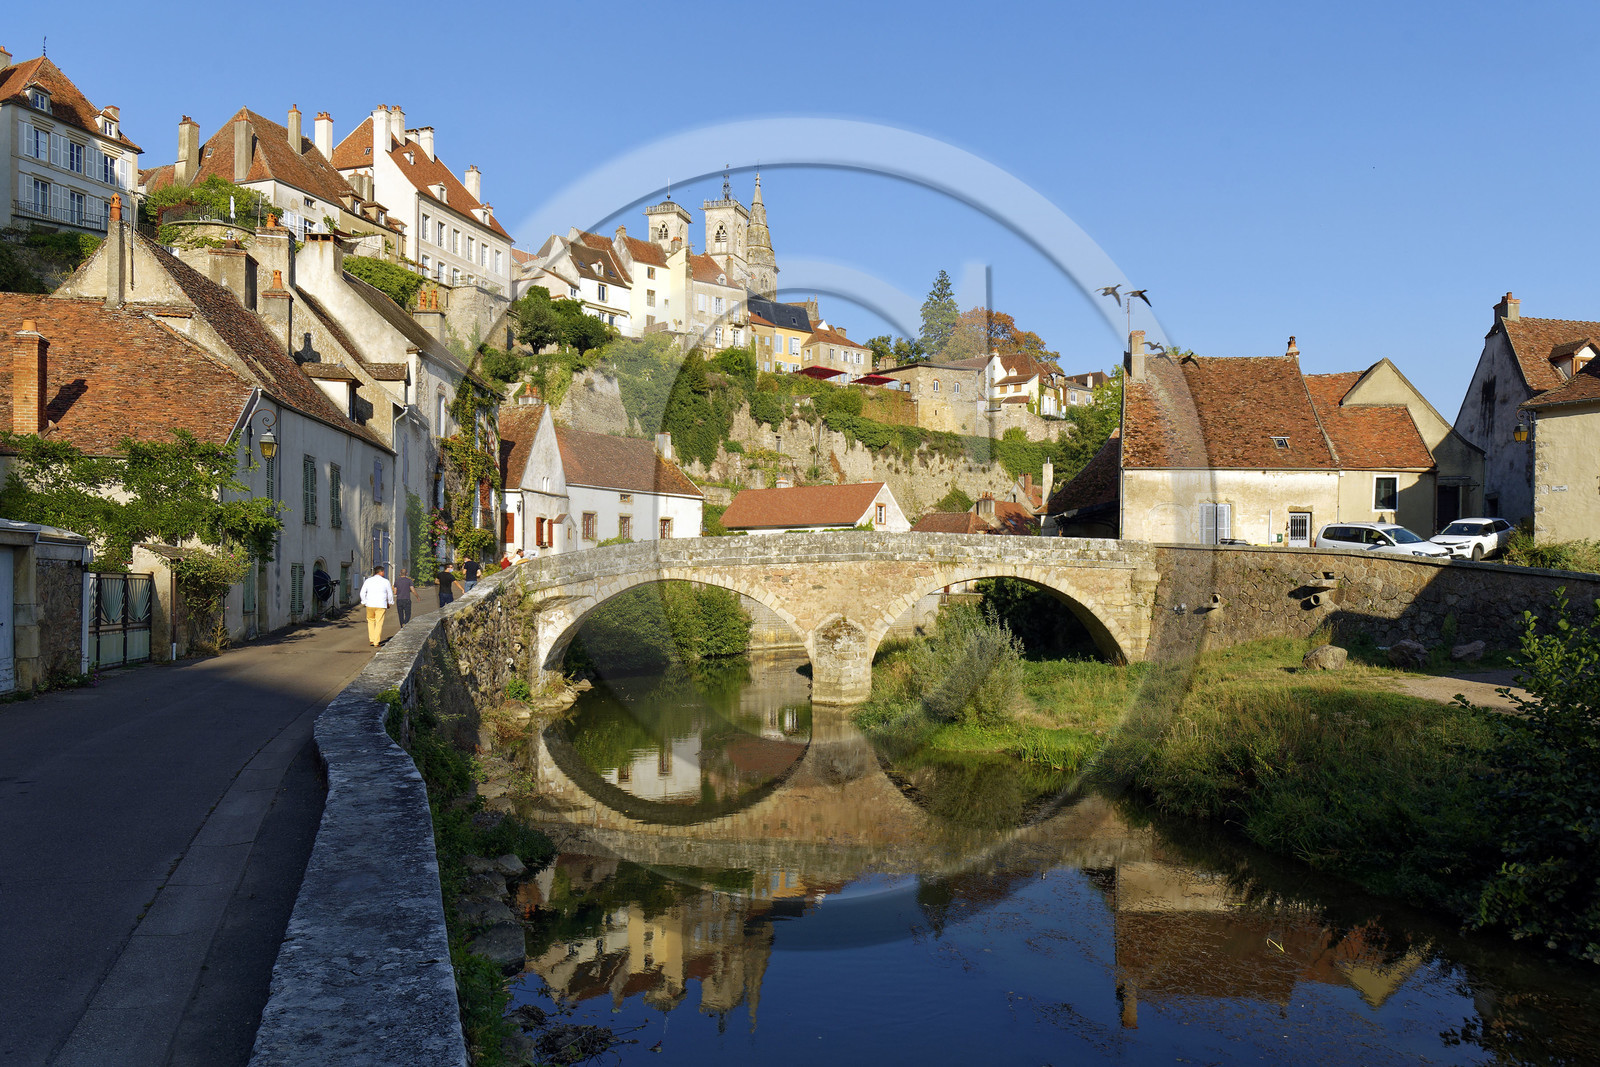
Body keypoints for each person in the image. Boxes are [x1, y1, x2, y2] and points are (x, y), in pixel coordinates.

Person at [359, 563, 395, 647]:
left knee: (370, 621)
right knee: (379, 622)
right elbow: (390, 593)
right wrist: (390, 602)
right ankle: (376, 642)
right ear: (381, 572)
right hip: (381, 604)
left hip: (370, 604)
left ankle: (371, 640)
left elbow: (362, 592)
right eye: (384, 572)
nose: (384, 573)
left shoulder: (368, 580)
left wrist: (364, 601)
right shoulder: (385, 581)